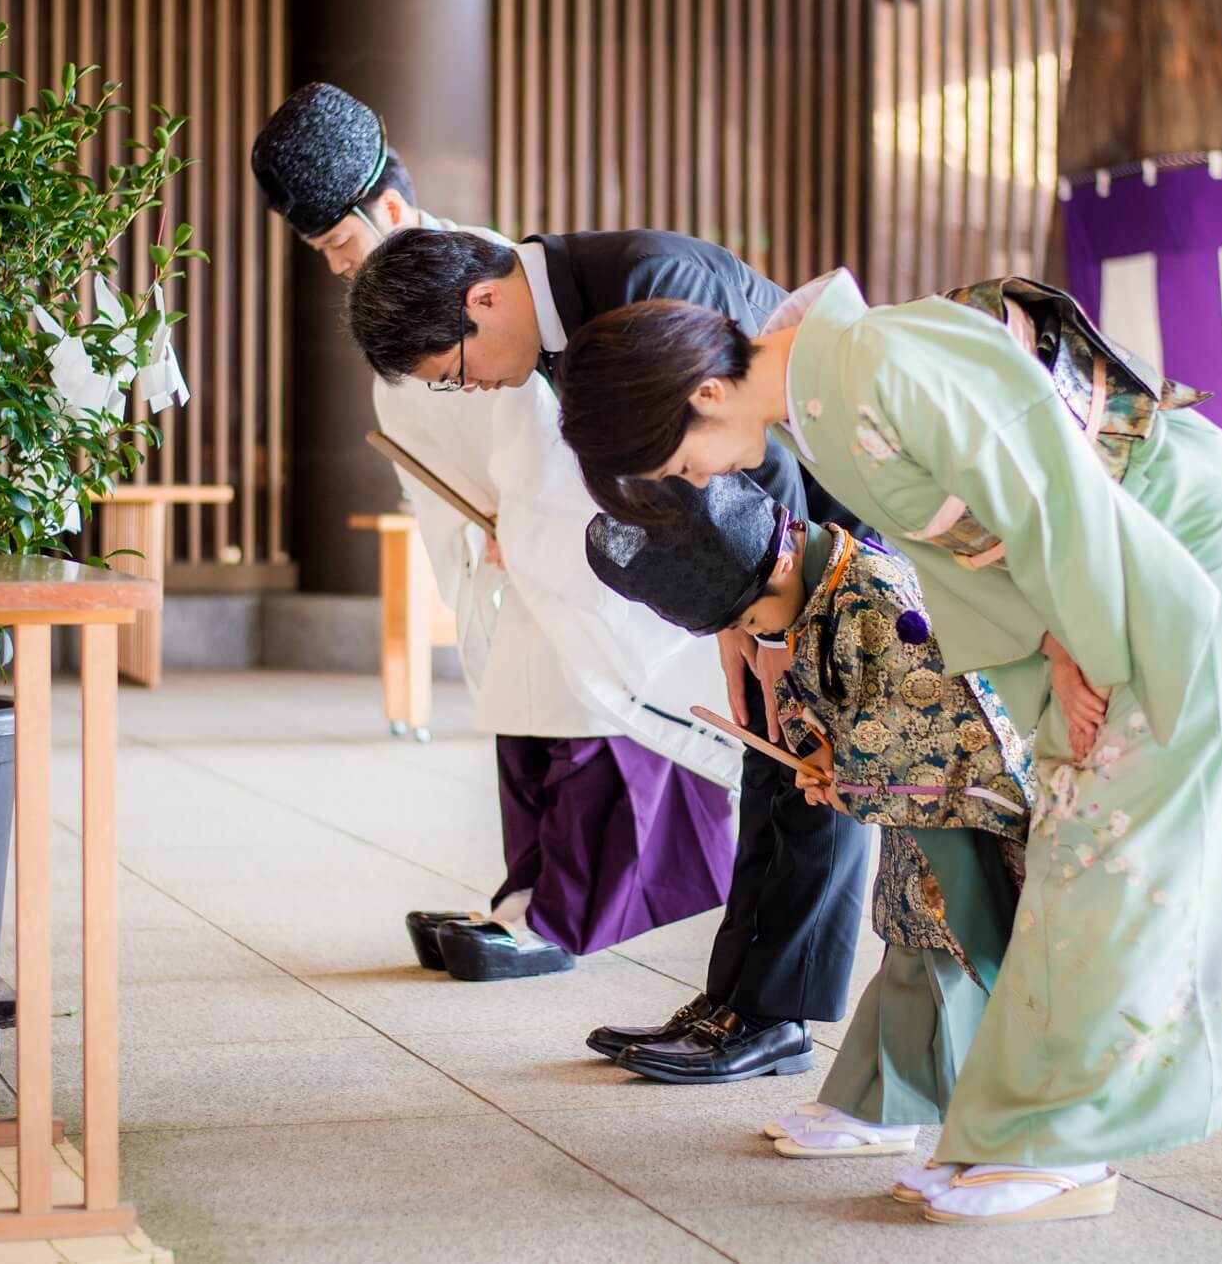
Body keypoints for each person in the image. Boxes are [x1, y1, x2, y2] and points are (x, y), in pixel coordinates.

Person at [552, 270, 1222, 1224]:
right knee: (1080, 852)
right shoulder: (828, 388)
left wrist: (1092, 635)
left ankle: (1065, 1150)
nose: (704, 480)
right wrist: (1061, 633)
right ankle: (1020, 1135)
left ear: (704, 394)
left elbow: (1045, 481)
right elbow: (998, 527)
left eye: (678, 463)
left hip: (1165, 542)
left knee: (1115, 850)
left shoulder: (869, 362)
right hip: (1112, 559)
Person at [345, 225, 872, 1082]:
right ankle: (737, 999)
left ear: (482, 302)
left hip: (816, 536)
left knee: (809, 759)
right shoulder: (560, 317)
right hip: (755, 556)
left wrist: (773, 621)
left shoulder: (646, 281)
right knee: (767, 757)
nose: (470, 388)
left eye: (456, 371)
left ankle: (774, 1015)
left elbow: (752, 457)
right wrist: (736, 624)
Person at [250, 82, 740, 982]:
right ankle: (530, 893)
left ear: (389, 206)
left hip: (569, 526)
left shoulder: (479, 277)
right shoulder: (403, 304)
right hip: (507, 535)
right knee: (523, 711)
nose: (332, 266)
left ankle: (561, 912)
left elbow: (550, 418)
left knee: (578, 704)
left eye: (338, 243)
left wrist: (534, 522)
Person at [587, 470, 1038, 1158]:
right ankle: (879, 1104)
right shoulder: (825, 588)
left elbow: (939, 723)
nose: (751, 636)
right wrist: (822, 753)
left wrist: (851, 778)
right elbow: (823, 699)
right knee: (914, 943)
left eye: (747, 622)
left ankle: (953, 1116)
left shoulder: (883, 596)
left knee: (945, 951)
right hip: (923, 817)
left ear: (784, 564)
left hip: (962, 816)